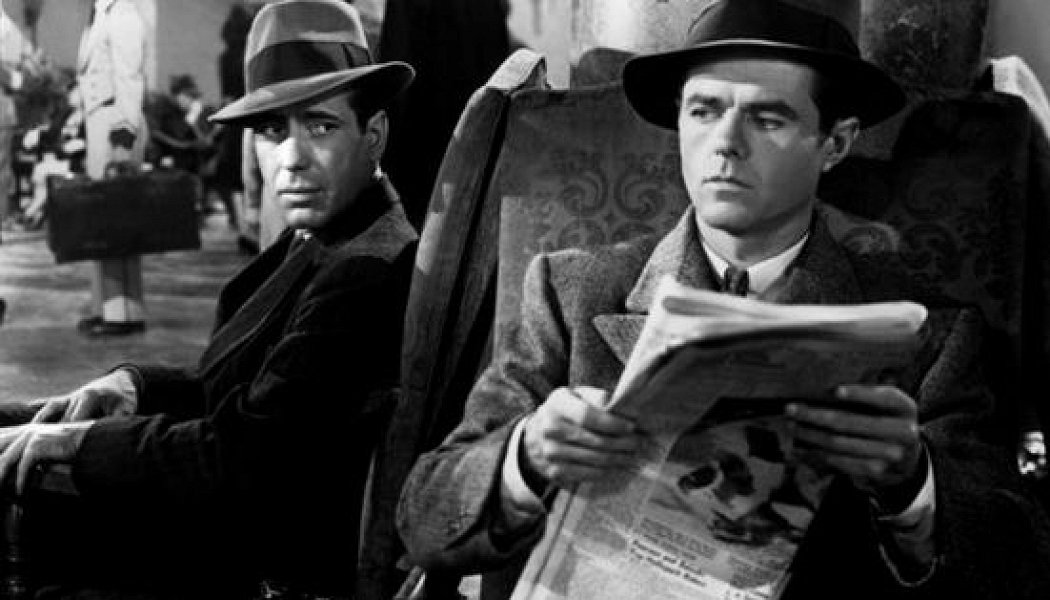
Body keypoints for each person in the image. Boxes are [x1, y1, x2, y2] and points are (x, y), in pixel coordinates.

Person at [396, 1, 1050, 598]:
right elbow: (424, 521)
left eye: (768, 118)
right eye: (704, 111)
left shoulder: (927, 335)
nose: (726, 143)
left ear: (835, 144)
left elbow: (1017, 563)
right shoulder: (570, 293)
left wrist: (912, 481)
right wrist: (527, 455)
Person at [0, 1, 416, 598]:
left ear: (373, 136)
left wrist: (79, 442)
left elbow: (240, 457)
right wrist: (133, 384)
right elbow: (246, 395)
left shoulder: (366, 269)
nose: (292, 157)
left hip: (240, 560)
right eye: (273, 131)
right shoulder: (325, 235)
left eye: (320, 126)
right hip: (216, 521)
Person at [75, 0, 151, 336]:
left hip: (115, 125)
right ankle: (105, 307)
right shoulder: (101, 13)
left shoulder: (122, 13)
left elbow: (129, 77)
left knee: (117, 222)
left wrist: (123, 137)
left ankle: (123, 313)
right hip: (99, 122)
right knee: (103, 223)